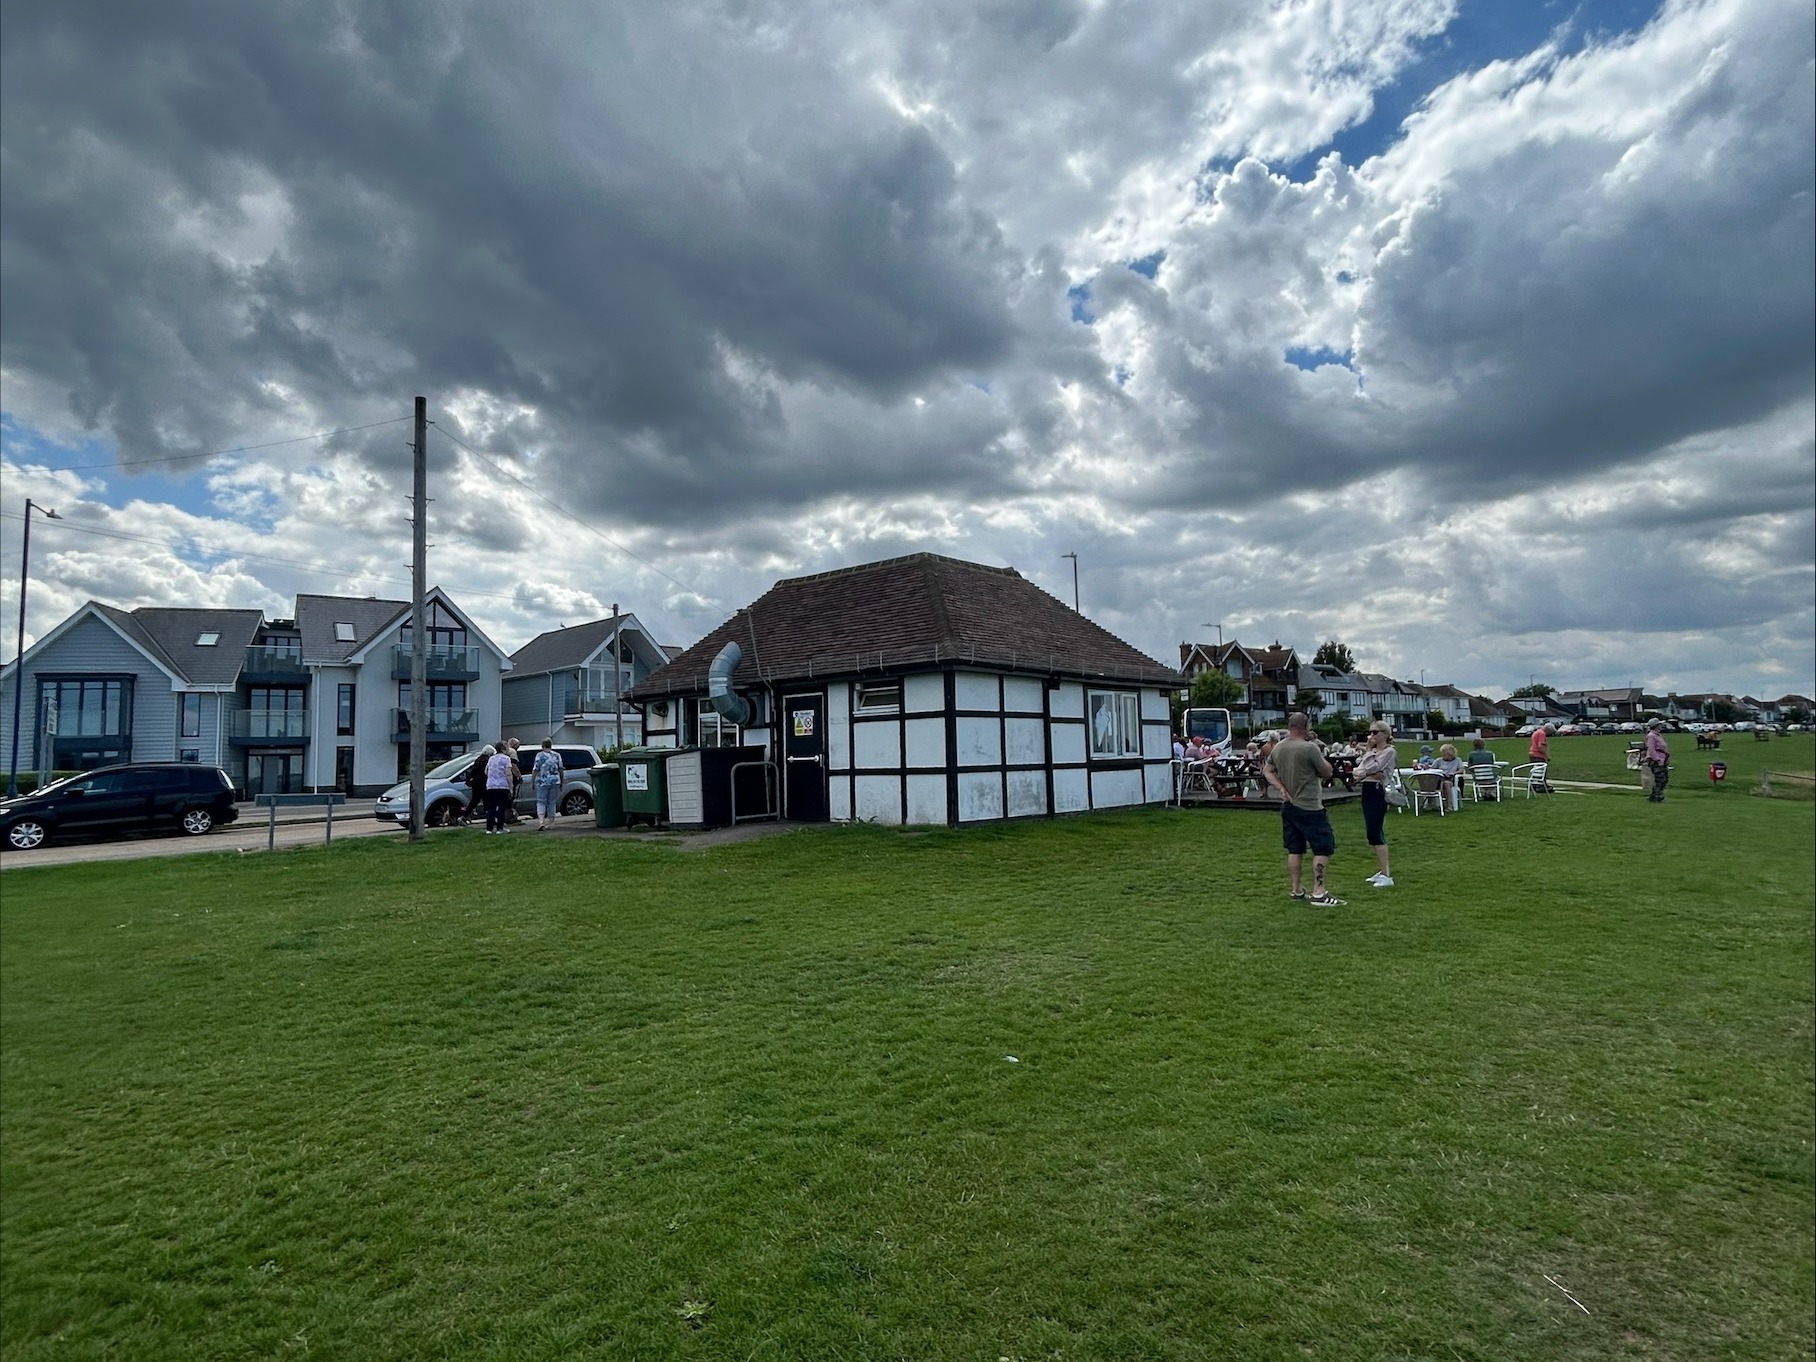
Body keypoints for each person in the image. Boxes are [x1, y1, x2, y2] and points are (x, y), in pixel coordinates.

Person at [1263, 712, 1344, 905]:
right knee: (1322, 847)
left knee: (1295, 849)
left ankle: (1296, 890)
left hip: (1289, 805)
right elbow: (1327, 772)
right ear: (1306, 727)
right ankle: (1319, 892)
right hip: (1310, 806)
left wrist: (1281, 788)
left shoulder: (1279, 747)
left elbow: (1267, 770)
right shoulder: (1309, 748)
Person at [1351, 720, 1396, 887]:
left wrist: (1369, 754)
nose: (1371, 736)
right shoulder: (1374, 752)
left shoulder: (1389, 751)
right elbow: (1359, 770)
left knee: (1375, 831)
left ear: (1385, 734)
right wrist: (1367, 769)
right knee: (1371, 833)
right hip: (1367, 789)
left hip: (1377, 791)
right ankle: (1382, 871)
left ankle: (1386, 875)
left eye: (1375, 732)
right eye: (1370, 732)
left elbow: (1374, 767)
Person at [483, 744, 516, 834]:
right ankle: (500, 828)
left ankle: (489, 828)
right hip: (502, 785)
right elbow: (508, 773)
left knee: (491, 807)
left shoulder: (491, 758)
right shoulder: (506, 759)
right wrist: (511, 786)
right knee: (501, 807)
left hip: (491, 785)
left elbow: (486, 771)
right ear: (503, 749)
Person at [532, 738, 564, 829]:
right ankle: (551, 822)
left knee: (541, 801)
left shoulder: (540, 755)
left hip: (543, 781)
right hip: (555, 781)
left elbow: (535, 769)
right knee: (552, 802)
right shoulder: (557, 755)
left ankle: (541, 821)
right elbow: (561, 769)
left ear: (542, 746)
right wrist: (561, 781)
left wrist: (532, 781)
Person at [461, 745, 495, 825]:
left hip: (476, 784)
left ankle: (463, 816)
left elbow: (474, 770)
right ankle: (490, 819)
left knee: (474, 801)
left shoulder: (478, 759)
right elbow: (485, 772)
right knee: (486, 801)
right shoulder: (486, 760)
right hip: (483, 783)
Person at [1643, 719, 1671, 803]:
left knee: (1665, 778)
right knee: (1660, 779)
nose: (1661, 726)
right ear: (1655, 726)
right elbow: (1651, 749)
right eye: (1659, 724)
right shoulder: (1651, 736)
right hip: (1656, 760)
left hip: (1663, 759)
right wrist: (1657, 760)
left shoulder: (1658, 735)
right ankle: (1658, 796)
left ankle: (1653, 796)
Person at [1435, 743, 1465, 811]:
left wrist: (1454, 773)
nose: (1444, 756)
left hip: (1451, 779)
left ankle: (1449, 805)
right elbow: (1432, 769)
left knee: (1446, 783)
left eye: (1446, 755)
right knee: (1429, 781)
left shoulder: (1457, 760)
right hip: (1439, 779)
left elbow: (1461, 770)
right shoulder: (1438, 760)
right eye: (1443, 754)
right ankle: (1430, 803)